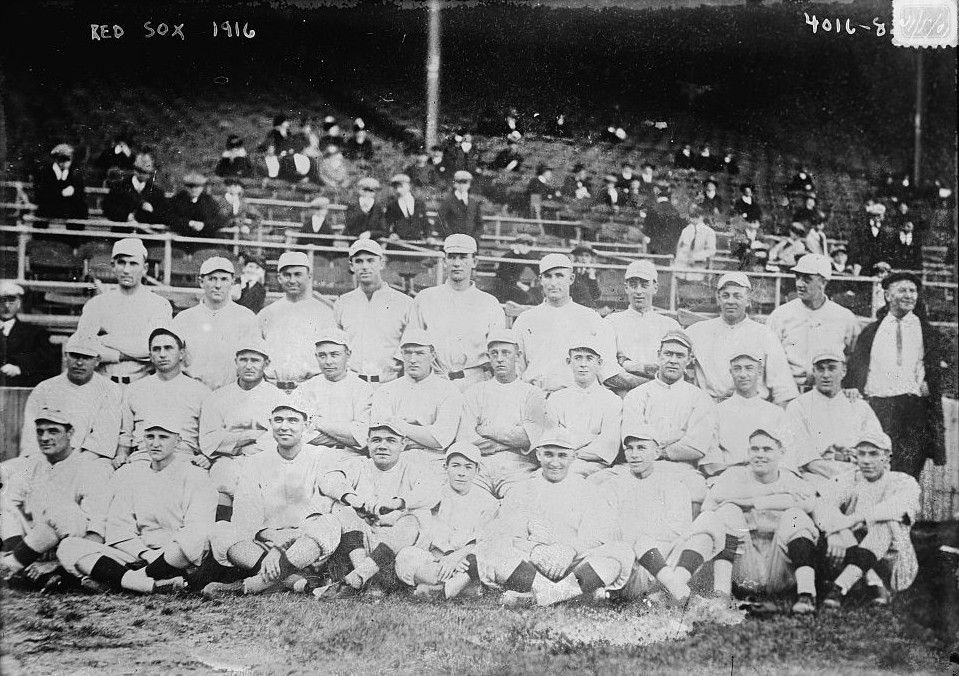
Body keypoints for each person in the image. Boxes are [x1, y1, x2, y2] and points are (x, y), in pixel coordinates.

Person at [56, 416, 217, 594]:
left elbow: (197, 531)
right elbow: (119, 528)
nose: (155, 443)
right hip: (139, 554)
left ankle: (122, 581)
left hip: (177, 557)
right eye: (150, 437)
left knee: (192, 539)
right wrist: (145, 554)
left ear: (178, 441)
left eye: (163, 437)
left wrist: (162, 556)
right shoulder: (132, 475)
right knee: (69, 547)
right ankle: (151, 585)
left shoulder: (195, 476)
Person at [204, 397, 342, 597]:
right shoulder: (255, 462)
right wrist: (274, 539)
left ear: (306, 425)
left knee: (329, 523)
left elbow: (321, 511)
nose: (284, 426)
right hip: (263, 547)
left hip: (306, 547)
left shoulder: (322, 456)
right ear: (270, 424)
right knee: (221, 530)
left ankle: (251, 585)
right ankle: (294, 580)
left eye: (292, 420)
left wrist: (281, 547)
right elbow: (245, 515)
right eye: (278, 420)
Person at [476, 431, 632, 607]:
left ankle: (541, 597)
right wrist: (535, 550)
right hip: (531, 566)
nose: (555, 462)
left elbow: (596, 537)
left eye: (562, 455)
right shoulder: (521, 490)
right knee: (490, 549)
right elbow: (510, 534)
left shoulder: (588, 490)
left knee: (619, 553)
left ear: (573, 457)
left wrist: (570, 550)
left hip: (573, 565)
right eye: (549, 454)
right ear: (538, 454)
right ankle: (570, 594)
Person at [316, 421, 442, 598]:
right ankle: (364, 577)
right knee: (339, 506)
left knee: (416, 516)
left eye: (391, 440)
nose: (382, 446)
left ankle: (360, 577)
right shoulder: (359, 465)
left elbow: (433, 492)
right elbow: (327, 480)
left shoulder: (413, 468)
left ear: (403, 444)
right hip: (362, 544)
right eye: (376, 440)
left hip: (396, 548)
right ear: (367, 442)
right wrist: (353, 500)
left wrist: (397, 503)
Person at [602, 424, 726, 604]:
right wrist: (644, 532)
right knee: (638, 536)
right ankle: (681, 595)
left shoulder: (673, 484)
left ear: (656, 452)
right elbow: (610, 533)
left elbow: (679, 530)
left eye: (641, 448)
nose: (634, 454)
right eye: (629, 448)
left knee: (710, 521)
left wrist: (643, 530)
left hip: (669, 562)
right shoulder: (612, 486)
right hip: (633, 569)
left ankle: (671, 591)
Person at [703, 428, 820, 614]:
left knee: (796, 517)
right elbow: (713, 500)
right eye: (755, 449)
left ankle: (806, 595)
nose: (760, 455)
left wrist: (750, 502)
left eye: (767, 449)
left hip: (780, 564)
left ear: (781, 453)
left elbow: (808, 503)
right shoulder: (735, 474)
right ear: (748, 452)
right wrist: (773, 492)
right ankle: (721, 597)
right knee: (728, 511)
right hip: (743, 563)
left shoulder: (791, 478)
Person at [844, 272, 946, 479]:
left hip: (914, 410)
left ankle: (904, 512)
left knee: (908, 473)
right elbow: (855, 369)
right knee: (876, 469)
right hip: (880, 409)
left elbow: (951, 366)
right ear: (888, 296)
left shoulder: (928, 332)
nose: (909, 295)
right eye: (902, 290)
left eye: (913, 291)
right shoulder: (872, 331)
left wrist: (934, 384)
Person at [0, 408, 113, 588]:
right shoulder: (34, 464)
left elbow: (96, 535)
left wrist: (58, 562)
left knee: (62, 511)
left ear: (70, 433)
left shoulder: (90, 469)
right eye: (40, 432)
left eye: (53, 431)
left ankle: (19, 567)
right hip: (35, 543)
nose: (44, 438)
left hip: (71, 546)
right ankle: (19, 566)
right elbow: (9, 502)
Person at [818, 430, 921, 609]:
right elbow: (823, 504)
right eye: (861, 453)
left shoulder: (903, 482)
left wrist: (853, 519)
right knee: (852, 531)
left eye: (874, 454)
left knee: (885, 523)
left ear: (888, 457)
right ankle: (870, 584)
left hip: (893, 563)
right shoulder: (849, 479)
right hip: (853, 554)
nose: (866, 460)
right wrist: (837, 532)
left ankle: (840, 587)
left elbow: (894, 508)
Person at [394, 443, 499, 600]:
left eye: (468, 467)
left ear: (477, 470)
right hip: (439, 560)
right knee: (405, 556)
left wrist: (456, 559)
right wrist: (447, 559)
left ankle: (448, 588)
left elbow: (481, 540)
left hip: (469, 559)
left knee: (489, 555)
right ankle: (466, 587)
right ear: (445, 467)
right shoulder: (435, 495)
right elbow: (432, 539)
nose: (461, 473)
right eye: (456, 466)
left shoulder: (488, 502)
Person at [621, 330, 718, 502]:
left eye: (680, 355)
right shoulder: (638, 395)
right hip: (639, 467)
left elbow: (696, 446)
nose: (673, 360)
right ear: (659, 356)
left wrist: (656, 448)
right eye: (668, 354)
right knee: (601, 484)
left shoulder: (700, 398)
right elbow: (631, 439)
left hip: (681, 469)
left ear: (689, 360)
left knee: (696, 490)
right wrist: (675, 441)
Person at [198, 339, 286, 522]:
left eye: (255, 360)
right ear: (236, 362)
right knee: (220, 480)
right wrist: (249, 437)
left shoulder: (278, 397)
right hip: (228, 459)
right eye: (243, 360)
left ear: (266, 364)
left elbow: (281, 434)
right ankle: (222, 537)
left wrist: (238, 442)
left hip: (265, 458)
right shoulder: (218, 397)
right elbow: (209, 439)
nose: (248, 365)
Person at [457, 329, 548, 498]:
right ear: (488, 357)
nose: (499, 359)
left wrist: (487, 430)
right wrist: (513, 441)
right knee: (467, 504)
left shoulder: (532, 393)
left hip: (518, 468)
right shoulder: (475, 392)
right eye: (494, 353)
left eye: (506, 353)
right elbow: (466, 440)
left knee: (518, 506)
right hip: (480, 467)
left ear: (517, 355)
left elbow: (529, 438)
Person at [685, 272, 798, 405]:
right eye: (726, 296)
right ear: (718, 298)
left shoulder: (764, 335)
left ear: (748, 299)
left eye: (737, 296)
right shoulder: (697, 331)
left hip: (751, 408)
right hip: (710, 408)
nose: (731, 301)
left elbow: (783, 389)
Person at [408, 234, 505, 389]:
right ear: (445, 260)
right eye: (452, 257)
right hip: (435, 381)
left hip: (477, 382)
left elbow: (498, 353)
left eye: (463, 257)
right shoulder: (425, 299)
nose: (457, 263)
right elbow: (411, 347)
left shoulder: (489, 304)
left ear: (474, 261)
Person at [512, 253, 619, 393]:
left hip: (576, 400)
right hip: (535, 396)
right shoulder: (525, 319)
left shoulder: (591, 318)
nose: (553, 282)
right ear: (540, 280)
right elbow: (516, 368)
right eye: (548, 276)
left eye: (559, 275)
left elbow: (606, 369)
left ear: (571, 278)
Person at [75, 238, 173, 385]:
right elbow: (83, 347)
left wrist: (103, 339)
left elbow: (152, 349)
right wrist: (122, 355)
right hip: (102, 384)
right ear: (113, 266)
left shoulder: (159, 304)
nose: (126, 270)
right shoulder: (96, 304)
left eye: (133, 263)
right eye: (121, 262)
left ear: (145, 268)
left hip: (142, 384)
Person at [18, 334, 122, 467]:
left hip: (90, 462)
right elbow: (31, 437)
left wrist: (69, 466)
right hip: (44, 460)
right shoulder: (44, 389)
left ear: (97, 360)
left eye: (86, 358)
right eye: (74, 355)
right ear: (65, 355)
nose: (79, 363)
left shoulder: (110, 390)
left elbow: (102, 441)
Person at [785, 350, 885, 484]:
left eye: (832, 368)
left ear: (843, 371)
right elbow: (802, 456)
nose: (826, 375)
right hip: (816, 475)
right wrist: (845, 477)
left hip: (858, 472)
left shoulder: (859, 405)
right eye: (820, 369)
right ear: (813, 372)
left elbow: (877, 444)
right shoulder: (798, 406)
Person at [369, 329, 464, 469]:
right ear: (401, 355)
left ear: (433, 356)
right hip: (393, 465)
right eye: (408, 353)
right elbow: (381, 438)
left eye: (420, 353)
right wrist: (423, 433)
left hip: (433, 463)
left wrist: (397, 424)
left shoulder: (448, 390)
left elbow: (440, 439)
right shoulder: (385, 391)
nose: (413, 359)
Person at [118, 326, 212, 467]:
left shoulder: (201, 392)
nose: (162, 354)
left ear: (181, 354)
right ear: (150, 356)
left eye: (168, 348)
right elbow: (125, 437)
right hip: (143, 458)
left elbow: (209, 437)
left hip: (184, 458)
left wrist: (205, 457)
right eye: (156, 349)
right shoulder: (134, 390)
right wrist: (121, 456)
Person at [766, 254, 859, 389]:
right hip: (789, 391)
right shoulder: (780, 315)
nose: (799, 284)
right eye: (797, 277)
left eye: (807, 279)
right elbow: (768, 357)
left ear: (823, 282)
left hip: (827, 393)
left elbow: (853, 357)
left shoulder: (844, 317)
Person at [172, 257, 259, 391]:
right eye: (212, 278)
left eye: (224, 279)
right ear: (201, 282)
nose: (218, 285)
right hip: (192, 393)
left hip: (232, 394)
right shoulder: (184, 319)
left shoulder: (246, 317)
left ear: (232, 282)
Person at [333, 239, 411, 384]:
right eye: (359, 261)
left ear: (382, 263)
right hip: (353, 385)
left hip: (389, 384)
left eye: (370, 260)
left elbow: (410, 349)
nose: (365, 266)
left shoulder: (404, 302)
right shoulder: (343, 302)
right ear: (351, 265)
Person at [544, 336, 623, 478]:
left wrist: (569, 448)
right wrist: (590, 438)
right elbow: (551, 439)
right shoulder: (556, 399)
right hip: (558, 464)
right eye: (578, 358)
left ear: (599, 363)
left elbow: (609, 443)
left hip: (594, 466)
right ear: (569, 362)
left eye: (589, 358)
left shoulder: (612, 401)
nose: (583, 364)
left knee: (568, 476)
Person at [257, 251, 336, 392]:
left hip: (312, 389)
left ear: (309, 277)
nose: (292, 280)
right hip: (273, 388)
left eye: (298, 274)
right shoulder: (267, 313)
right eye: (287, 275)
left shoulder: (325, 314)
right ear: (279, 278)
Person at [297, 329, 374, 466]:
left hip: (351, 459)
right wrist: (344, 434)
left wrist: (316, 422)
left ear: (348, 355)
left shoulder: (362, 388)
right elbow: (298, 434)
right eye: (322, 355)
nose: (328, 361)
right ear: (316, 356)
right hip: (311, 458)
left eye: (334, 354)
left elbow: (361, 437)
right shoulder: (305, 389)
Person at [602, 260, 680, 394]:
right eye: (633, 285)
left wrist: (627, 364)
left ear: (655, 287)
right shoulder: (611, 322)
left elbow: (676, 370)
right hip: (623, 395)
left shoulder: (670, 326)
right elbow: (607, 371)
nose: (638, 291)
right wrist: (651, 383)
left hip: (662, 396)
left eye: (644, 285)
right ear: (626, 287)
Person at [715, 350, 792, 468]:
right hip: (730, 475)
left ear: (759, 371)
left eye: (749, 368)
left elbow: (788, 452)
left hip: (766, 477)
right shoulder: (718, 411)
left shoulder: (776, 413)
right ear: (731, 372)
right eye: (737, 369)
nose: (742, 374)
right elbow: (711, 453)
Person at [0, 281, 58, 387]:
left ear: (19, 303)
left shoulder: (34, 333)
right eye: (2, 300)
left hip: (21, 391)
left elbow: (48, 362)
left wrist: (20, 368)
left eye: (12, 300)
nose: (6, 305)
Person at [102, 153, 169, 228]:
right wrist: (126, 216)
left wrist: (146, 214)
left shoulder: (157, 192)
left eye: (149, 173)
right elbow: (108, 208)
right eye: (142, 171)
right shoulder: (119, 187)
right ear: (135, 170)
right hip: (122, 232)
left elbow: (163, 215)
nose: (146, 175)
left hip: (146, 235)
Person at [34, 143, 89, 224]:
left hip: (69, 215)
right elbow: (40, 196)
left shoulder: (74, 175)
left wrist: (74, 192)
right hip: (48, 214)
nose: (65, 163)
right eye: (62, 159)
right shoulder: (45, 173)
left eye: (68, 159)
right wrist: (61, 193)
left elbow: (81, 197)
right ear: (56, 159)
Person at [493, 232, 540, 305]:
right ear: (517, 244)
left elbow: (537, 268)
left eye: (529, 245)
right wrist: (520, 285)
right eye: (523, 244)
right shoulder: (508, 256)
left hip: (515, 285)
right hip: (503, 285)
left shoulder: (525, 256)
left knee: (536, 295)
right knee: (526, 297)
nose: (526, 247)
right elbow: (505, 275)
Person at [437, 171, 486, 238]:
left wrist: (475, 238)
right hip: (453, 241)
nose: (462, 186)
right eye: (459, 182)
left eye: (465, 182)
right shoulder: (448, 201)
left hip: (470, 242)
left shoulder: (473, 202)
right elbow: (439, 221)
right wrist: (448, 236)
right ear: (454, 184)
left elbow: (479, 223)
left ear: (469, 185)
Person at [674, 205, 717, 278]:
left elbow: (711, 250)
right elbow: (679, 247)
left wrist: (695, 257)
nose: (693, 219)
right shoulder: (686, 230)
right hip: (682, 268)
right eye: (691, 216)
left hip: (698, 268)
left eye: (696, 216)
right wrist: (683, 257)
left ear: (702, 216)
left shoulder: (709, 232)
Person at [384, 174, 430, 240]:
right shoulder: (392, 205)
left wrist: (428, 236)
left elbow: (425, 222)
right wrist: (391, 234)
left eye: (401, 186)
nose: (399, 190)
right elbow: (386, 224)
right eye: (396, 187)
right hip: (399, 242)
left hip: (417, 240)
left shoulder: (419, 203)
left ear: (408, 186)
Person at [643, 185, 684, 256]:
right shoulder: (675, 211)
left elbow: (647, 227)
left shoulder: (652, 210)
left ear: (658, 197)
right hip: (670, 245)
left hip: (655, 244)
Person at [569, 245, 602, 309]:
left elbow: (596, 295)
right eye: (581, 255)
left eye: (587, 255)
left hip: (588, 306)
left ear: (591, 258)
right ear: (576, 257)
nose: (584, 258)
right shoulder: (571, 270)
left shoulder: (595, 272)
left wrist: (592, 276)